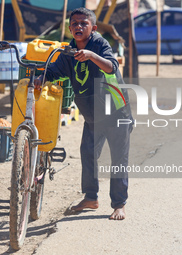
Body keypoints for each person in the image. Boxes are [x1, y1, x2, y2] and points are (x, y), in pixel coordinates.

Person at [35, 7, 133, 220]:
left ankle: (119, 205)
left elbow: (111, 67)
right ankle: (91, 198)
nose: (78, 26)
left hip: (116, 113)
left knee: (118, 159)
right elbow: (53, 71)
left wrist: (91, 55)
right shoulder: (68, 51)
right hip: (93, 116)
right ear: (70, 28)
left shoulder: (99, 44)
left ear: (93, 28)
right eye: (75, 24)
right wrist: (41, 78)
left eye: (83, 23)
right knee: (88, 155)